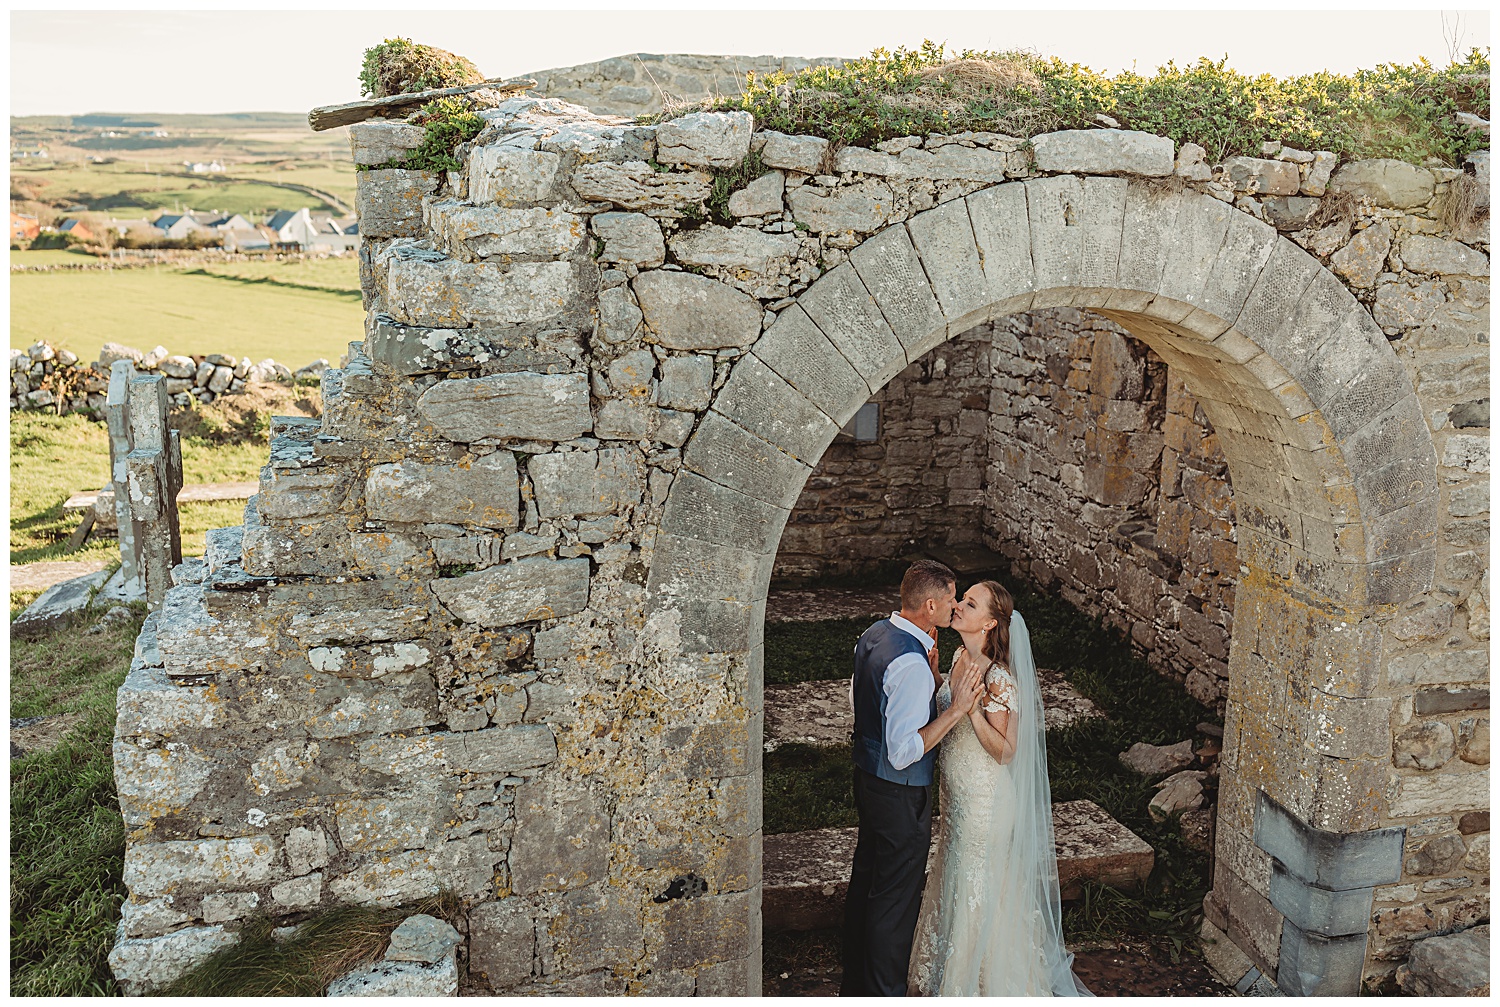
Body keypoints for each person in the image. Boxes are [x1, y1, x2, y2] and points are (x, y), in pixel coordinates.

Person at [908, 579, 1092, 996]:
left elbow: (1007, 752)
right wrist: (938, 676)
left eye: (969, 604)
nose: (958, 606)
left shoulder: (1000, 679)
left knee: (978, 884)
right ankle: (953, 971)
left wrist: (971, 714)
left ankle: (981, 983)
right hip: (956, 800)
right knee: (956, 876)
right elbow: (945, 707)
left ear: (990, 622)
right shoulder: (957, 656)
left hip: (986, 803)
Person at [841, 560, 985, 997]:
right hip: (899, 794)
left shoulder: (874, 635)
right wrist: (956, 710)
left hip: (868, 780)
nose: (955, 606)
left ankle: (856, 990)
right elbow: (903, 752)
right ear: (929, 604)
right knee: (894, 902)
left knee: (867, 882)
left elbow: (862, 702)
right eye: (950, 599)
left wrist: (933, 673)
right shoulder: (910, 664)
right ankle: (884, 994)